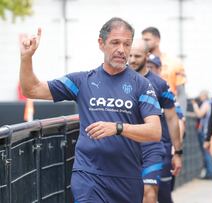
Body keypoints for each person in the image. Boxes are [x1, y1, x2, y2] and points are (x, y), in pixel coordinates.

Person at [19, 17, 162, 203]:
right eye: (115, 42)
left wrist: (118, 128)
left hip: (126, 179)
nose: (121, 49)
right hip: (88, 175)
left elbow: (155, 131)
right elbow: (32, 89)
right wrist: (26, 58)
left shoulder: (142, 85)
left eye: (127, 44)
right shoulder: (82, 80)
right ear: (101, 43)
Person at [129, 40, 182, 203]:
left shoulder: (160, 84)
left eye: (137, 56)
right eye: (129, 55)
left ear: (147, 56)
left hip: (152, 148)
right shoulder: (118, 80)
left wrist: (178, 152)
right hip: (126, 148)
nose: (132, 60)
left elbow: (172, 118)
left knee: (150, 194)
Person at [141, 27, 187, 114]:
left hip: (169, 110)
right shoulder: (139, 62)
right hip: (146, 112)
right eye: (142, 40)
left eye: (147, 39)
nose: (144, 42)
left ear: (157, 40)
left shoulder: (174, 63)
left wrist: (182, 116)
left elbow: (181, 93)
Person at [192, 90, 212, 180]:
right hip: (207, 131)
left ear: (204, 96)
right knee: (207, 152)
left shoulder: (206, 103)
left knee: (206, 152)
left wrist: (194, 105)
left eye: (200, 96)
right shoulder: (210, 103)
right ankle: (209, 172)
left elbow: (200, 114)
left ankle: (209, 173)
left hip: (204, 131)